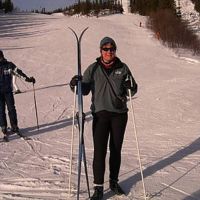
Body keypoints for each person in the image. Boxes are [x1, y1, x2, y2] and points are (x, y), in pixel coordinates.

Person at [70, 37, 138, 200]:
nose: (109, 52)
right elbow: (83, 90)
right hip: (100, 115)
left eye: (112, 49)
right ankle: (98, 188)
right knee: (99, 151)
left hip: (119, 115)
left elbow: (133, 89)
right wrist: (75, 84)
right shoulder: (93, 69)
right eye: (106, 49)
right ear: (100, 50)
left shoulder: (123, 68)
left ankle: (113, 182)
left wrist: (131, 87)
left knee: (115, 150)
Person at [0, 50, 35, 141]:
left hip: (8, 91)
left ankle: (14, 126)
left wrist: (28, 79)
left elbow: (19, 72)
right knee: (1, 110)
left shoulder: (9, 65)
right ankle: (3, 126)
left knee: (11, 109)